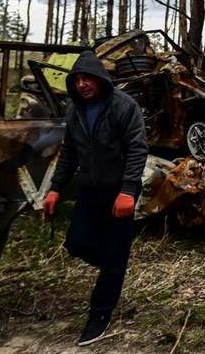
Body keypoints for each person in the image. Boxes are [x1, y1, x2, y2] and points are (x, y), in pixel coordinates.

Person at [42, 50, 148, 347]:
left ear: (100, 79)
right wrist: (55, 188)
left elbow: (138, 149)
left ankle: (99, 315)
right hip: (90, 190)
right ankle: (114, 265)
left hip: (119, 191)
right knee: (77, 243)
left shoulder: (124, 107)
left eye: (88, 78)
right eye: (77, 80)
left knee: (114, 257)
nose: (82, 85)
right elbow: (69, 153)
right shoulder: (74, 111)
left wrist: (128, 190)